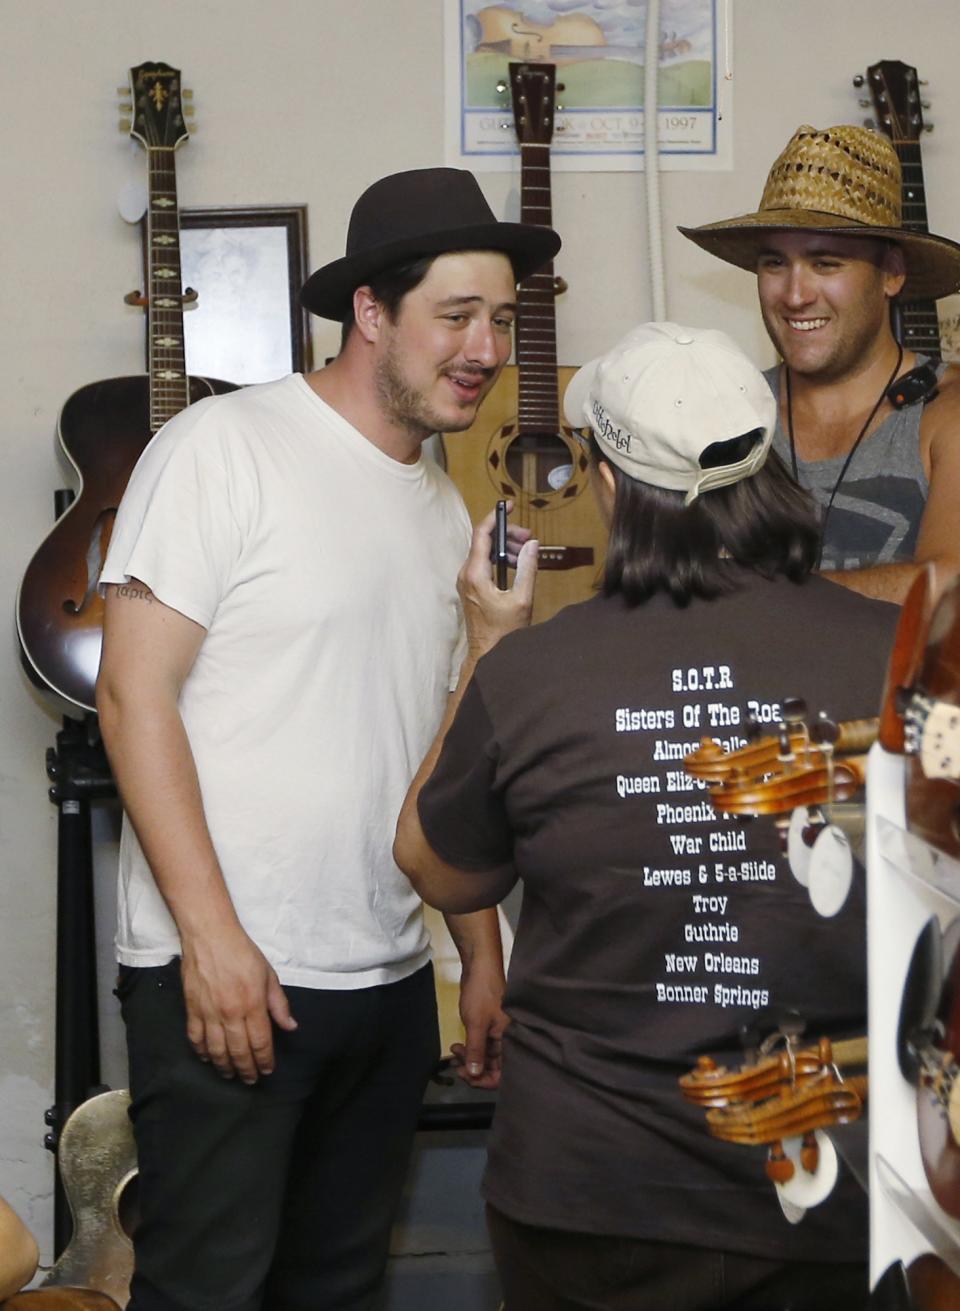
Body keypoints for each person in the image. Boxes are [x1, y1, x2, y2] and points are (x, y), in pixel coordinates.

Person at [95, 167, 558, 1311]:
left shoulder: (441, 502)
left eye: (500, 318)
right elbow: (129, 698)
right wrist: (211, 943)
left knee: (338, 1293)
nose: (486, 346)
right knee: (208, 1293)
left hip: (388, 984)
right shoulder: (224, 447)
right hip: (234, 975)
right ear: (369, 313)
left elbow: (431, 756)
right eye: (456, 315)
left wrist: (480, 956)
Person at [394, 321, 900, 1311]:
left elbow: (437, 868)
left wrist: (491, 643)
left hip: (591, 1202)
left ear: (613, 485)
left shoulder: (534, 675)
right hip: (836, 1187)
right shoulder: (910, 657)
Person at [679, 123, 960, 603]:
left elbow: (948, 589)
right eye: (774, 264)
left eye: (826, 264)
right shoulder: (721, 415)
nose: (794, 295)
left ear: (891, 274)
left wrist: (746, 594)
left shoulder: (945, 412)